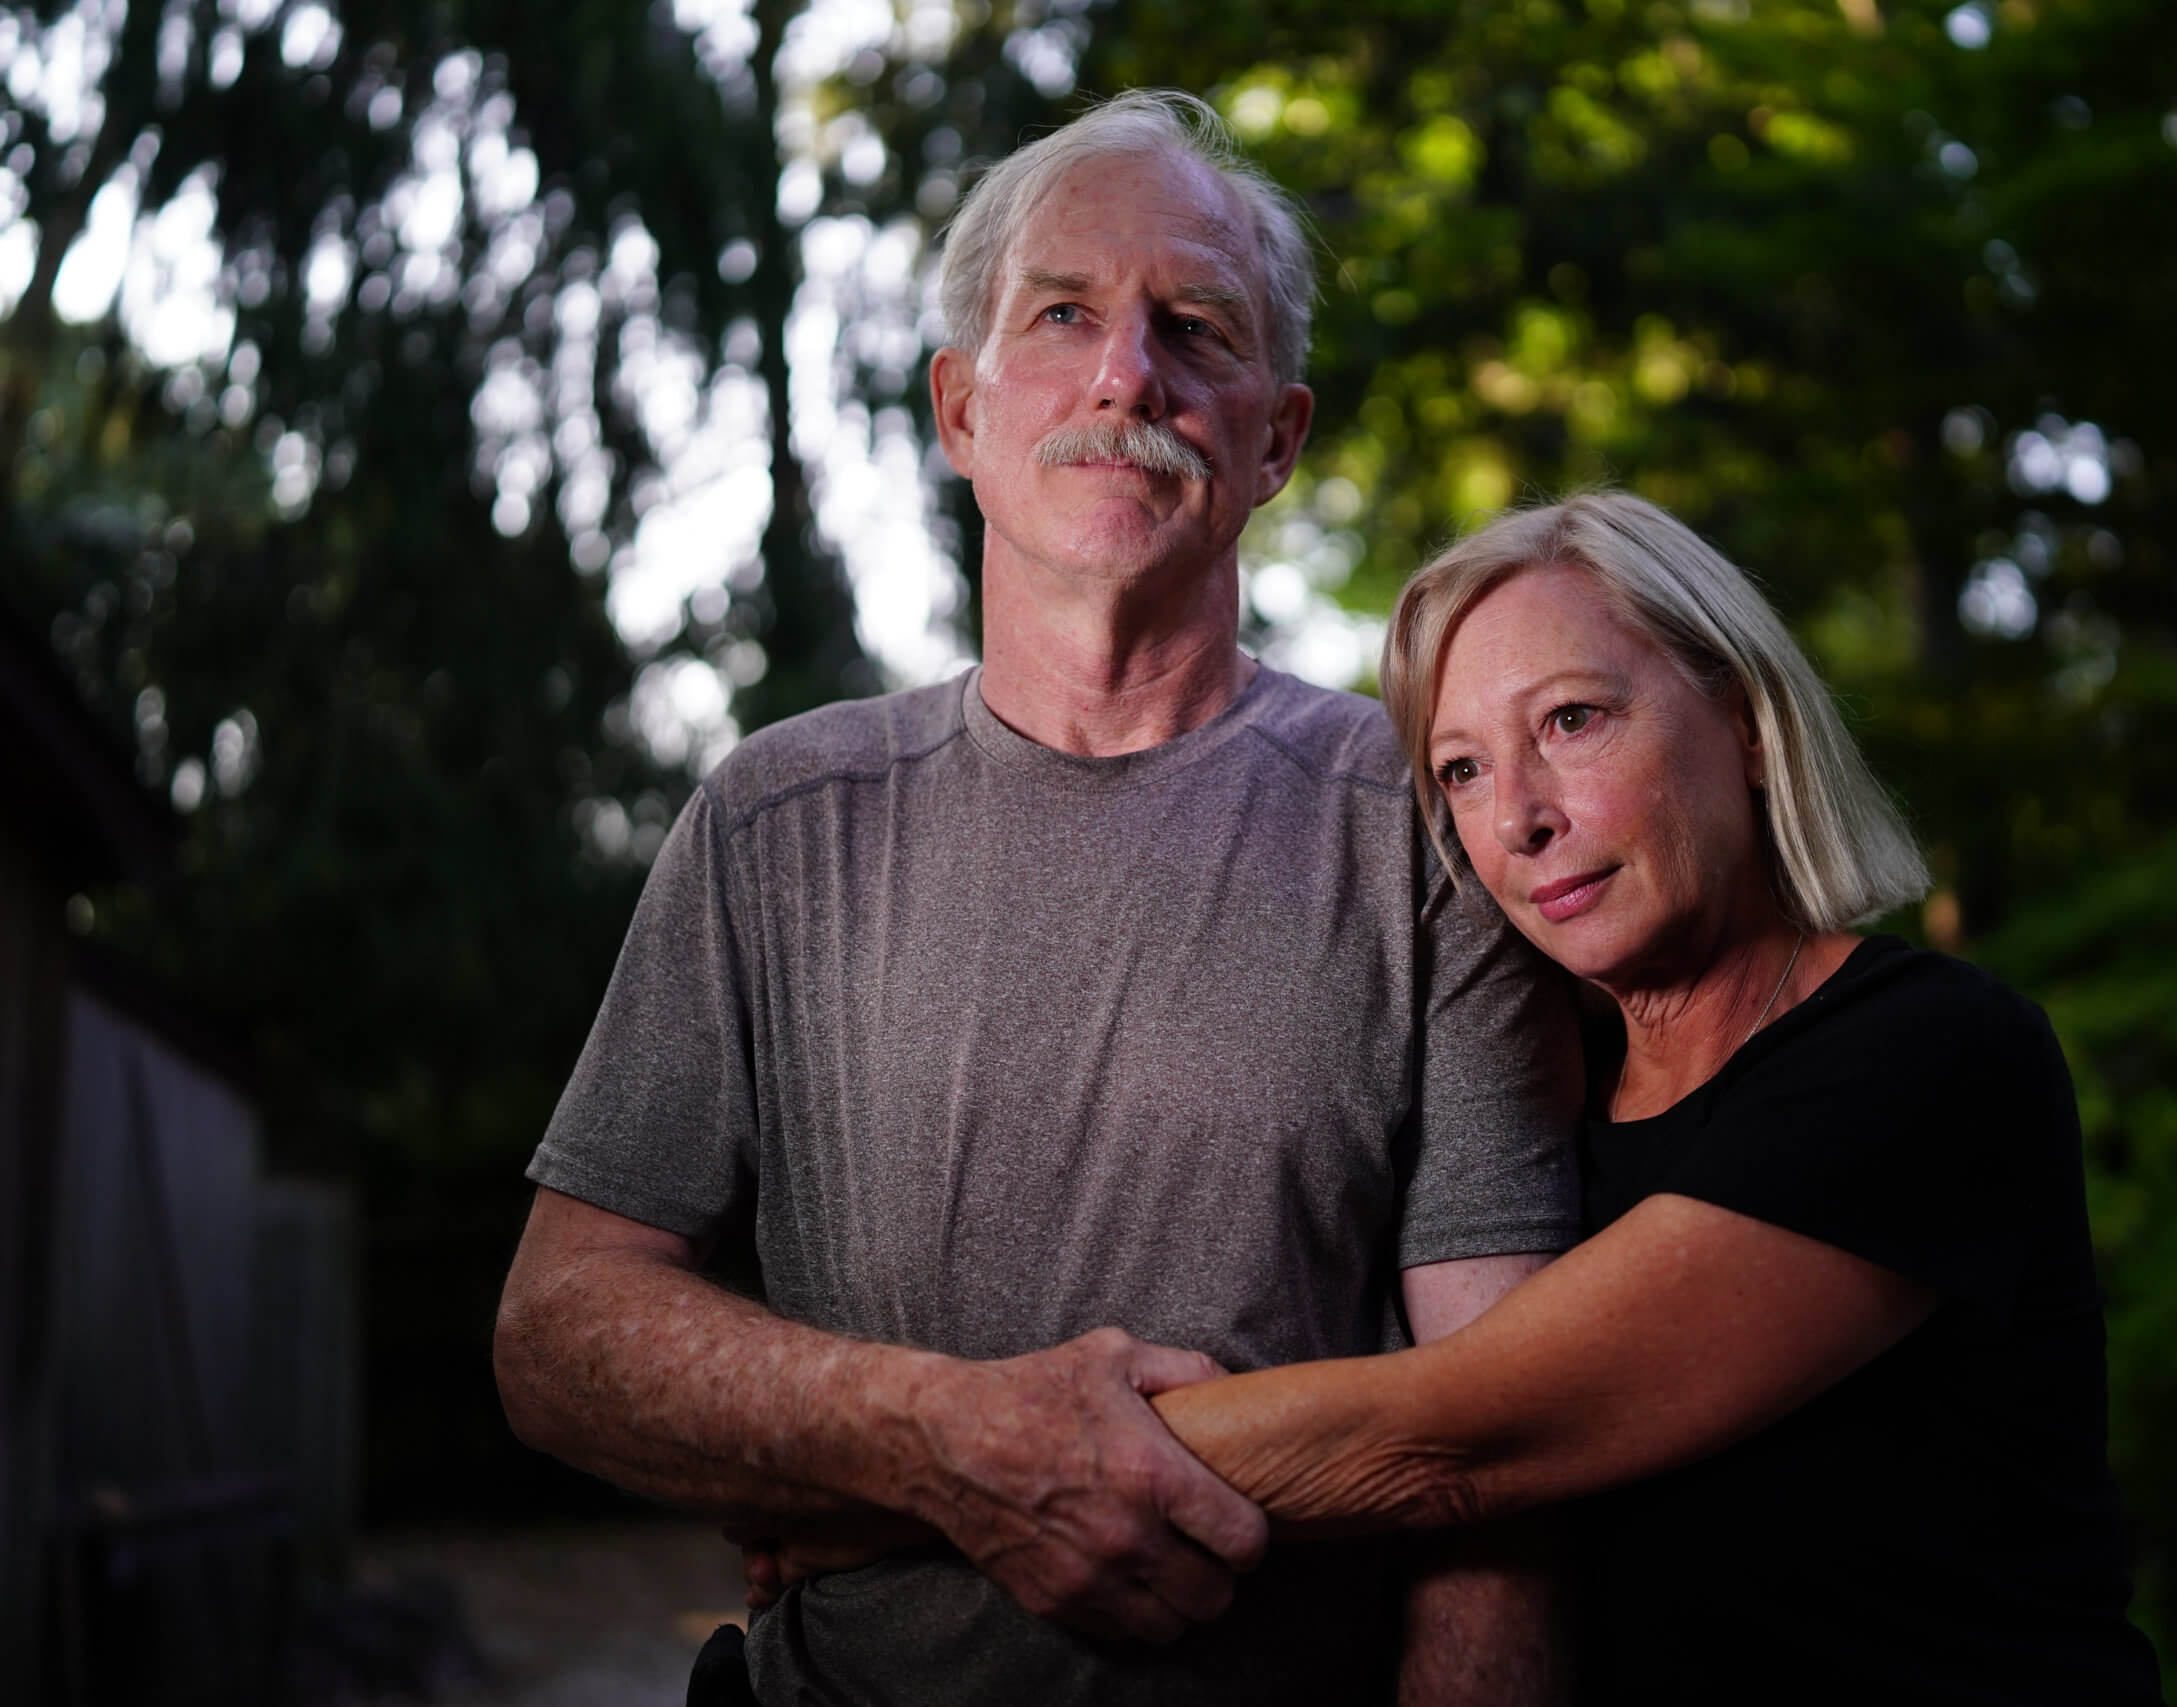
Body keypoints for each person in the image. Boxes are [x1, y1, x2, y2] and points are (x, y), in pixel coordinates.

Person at [490, 92, 1583, 1706]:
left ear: (1278, 436)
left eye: (1195, 329)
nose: (1127, 374)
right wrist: (935, 1438)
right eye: (1063, 314)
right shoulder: (779, 819)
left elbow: (1507, 1448)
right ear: (961, 408)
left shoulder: (1424, 833)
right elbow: (555, 1334)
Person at [1130, 492, 2167, 1702]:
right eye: (1461, 770)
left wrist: (951, 1462)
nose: (1516, 818)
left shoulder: (1928, 1058)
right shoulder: (1535, 1124)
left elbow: (1451, 1437)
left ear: (1745, 722)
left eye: (1571, 721)